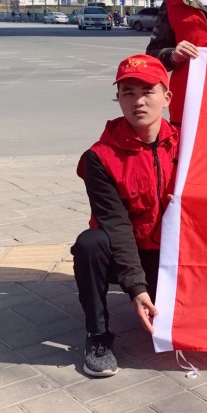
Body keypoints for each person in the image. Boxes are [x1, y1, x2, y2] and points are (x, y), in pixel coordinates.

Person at [71, 54, 178, 377]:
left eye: (147, 92)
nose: (138, 102)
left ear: (166, 97)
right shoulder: (100, 157)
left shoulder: (189, 145)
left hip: (171, 254)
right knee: (90, 244)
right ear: (118, 99)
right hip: (123, 253)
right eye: (128, 93)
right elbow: (116, 226)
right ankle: (98, 335)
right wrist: (135, 287)